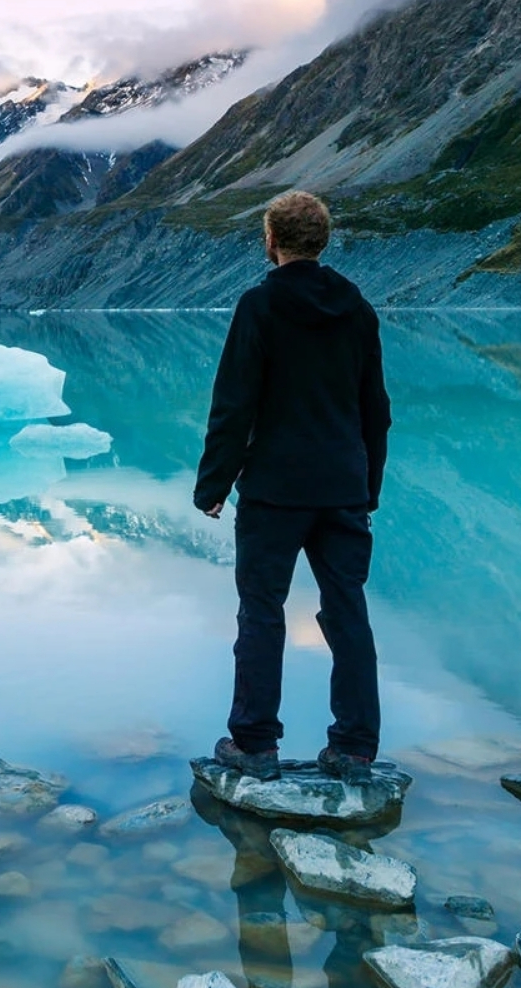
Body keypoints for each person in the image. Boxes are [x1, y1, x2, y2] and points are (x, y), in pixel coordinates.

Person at [193, 190, 391, 785]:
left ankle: (254, 743)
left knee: (261, 611)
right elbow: (374, 409)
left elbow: (234, 403)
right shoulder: (357, 309)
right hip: (341, 488)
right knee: (348, 609)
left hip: (275, 491)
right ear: (322, 241)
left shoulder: (259, 305)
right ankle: (354, 748)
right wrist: (367, 484)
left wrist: (214, 484)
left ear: (271, 241)